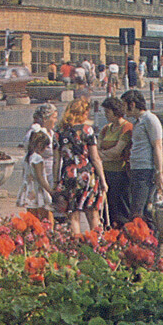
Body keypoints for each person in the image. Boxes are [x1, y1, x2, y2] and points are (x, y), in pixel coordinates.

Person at [53, 97, 108, 235]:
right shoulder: (87, 130)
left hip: (69, 174)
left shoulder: (59, 132)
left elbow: (56, 160)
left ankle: (75, 246)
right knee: (92, 212)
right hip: (87, 174)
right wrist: (102, 179)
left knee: (73, 214)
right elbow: (95, 157)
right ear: (83, 113)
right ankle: (97, 244)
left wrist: (56, 181)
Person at [121, 89, 163, 226]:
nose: (123, 109)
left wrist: (159, 172)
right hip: (136, 169)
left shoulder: (150, 120)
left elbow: (157, 146)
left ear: (132, 104)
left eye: (124, 105)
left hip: (145, 170)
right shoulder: (138, 121)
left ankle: (146, 240)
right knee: (140, 209)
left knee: (140, 211)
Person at [98, 96, 133, 228]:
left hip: (120, 173)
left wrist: (103, 155)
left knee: (121, 207)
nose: (106, 115)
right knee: (109, 208)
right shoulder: (106, 128)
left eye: (108, 112)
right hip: (106, 172)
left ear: (115, 111)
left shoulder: (126, 128)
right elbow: (97, 148)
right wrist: (106, 155)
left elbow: (117, 151)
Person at [16, 129, 56, 226]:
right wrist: (51, 191)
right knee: (46, 216)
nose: (45, 150)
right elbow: (40, 178)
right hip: (38, 191)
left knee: (31, 217)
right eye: (45, 147)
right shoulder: (37, 158)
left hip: (29, 190)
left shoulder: (27, 156)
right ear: (39, 145)